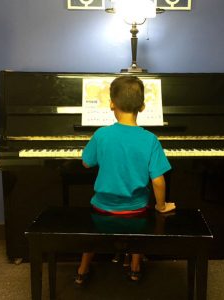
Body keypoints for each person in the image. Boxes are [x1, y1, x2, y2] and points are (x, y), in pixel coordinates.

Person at [75, 75, 176, 285]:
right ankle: (135, 267)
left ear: (112, 104)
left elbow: (86, 163)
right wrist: (161, 206)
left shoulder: (101, 134)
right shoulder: (150, 139)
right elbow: (158, 181)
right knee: (139, 229)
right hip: (136, 209)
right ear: (143, 107)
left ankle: (82, 270)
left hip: (102, 208)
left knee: (93, 233)